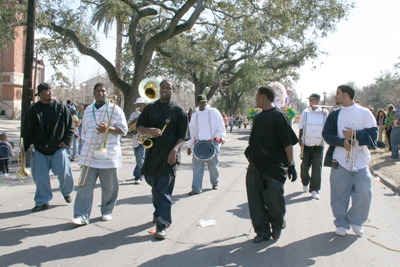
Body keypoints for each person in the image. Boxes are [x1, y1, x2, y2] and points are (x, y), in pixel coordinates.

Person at [136, 79, 189, 239]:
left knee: (163, 190)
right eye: (162, 87)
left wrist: (174, 150)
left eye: (168, 87)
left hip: (169, 157)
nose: (164, 90)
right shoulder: (150, 108)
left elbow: (183, 136)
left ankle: (162, 223)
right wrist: (148, 131)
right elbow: (139, 128)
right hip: (152, 155)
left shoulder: (179, 111)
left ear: (173, 90)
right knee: (153, 186)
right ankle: (158, 212)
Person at [245, 86, 298, 243]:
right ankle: (262, 231)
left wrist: (291, 165)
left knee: (274, 199)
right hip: (256, 165)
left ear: (263, 96)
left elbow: (288, 143)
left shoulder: (279, 116)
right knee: (255, 200)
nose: (255, 99)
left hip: (275, 167)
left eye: (257, 96)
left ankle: (277, 224)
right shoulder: (258, 117)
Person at [322, 85, 377, 237]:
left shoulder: (365, 113)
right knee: (339, 194)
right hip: (340, 161)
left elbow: (374, 133)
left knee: (364, 192)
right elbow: (326, 134)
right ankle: (341, 223)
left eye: (337, 94)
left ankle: (356, 221)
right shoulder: (335, 114)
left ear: (346, 95)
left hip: (360, 162)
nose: (335, 96)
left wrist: (355, 134)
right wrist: (341, 142)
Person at [70, 83, 128, 225]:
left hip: (109, 156)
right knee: (84, 187)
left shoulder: (116, 109)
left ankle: (107, 210)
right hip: (89, 156)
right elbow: (84, 133)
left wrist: (108, 129)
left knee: (109, 187)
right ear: (94, 93)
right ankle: (81, 215)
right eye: (97, 91)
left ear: (107, 93)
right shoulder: (88, 110)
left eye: (103, 91)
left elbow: (124, 130)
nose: (100, 93)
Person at [22, 83, 75, 212]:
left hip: (58, 147)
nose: (50, 93)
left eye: (51, 91)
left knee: (65, 172)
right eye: (46, 91)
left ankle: (66, 192)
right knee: (41, 178)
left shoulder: (61, 108)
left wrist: (66, 141)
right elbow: (27, 131)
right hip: (39, 149)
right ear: (40, 94)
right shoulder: (34, 110)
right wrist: (26, 149)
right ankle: (42, 201)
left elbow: (71, 127)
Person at [187, 95, 226, 195]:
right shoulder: (195, 115)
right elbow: (192, 132)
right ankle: (196, 188)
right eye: (201, 102)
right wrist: (189, 146)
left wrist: (222, 136)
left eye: (204, 102)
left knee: (213, 166)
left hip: (212, 142)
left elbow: (220, 125)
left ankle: (214, 182)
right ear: (197, 103)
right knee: (197, 167)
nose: (203, 104)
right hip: (199, 144)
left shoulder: (214, 112)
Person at [298, 93, 329, 200]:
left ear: (318, 100)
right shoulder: (305, 112)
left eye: (313, 100)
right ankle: (305, 182)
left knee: (317, 167)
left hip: (318, 145)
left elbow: (326, 127)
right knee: (304, 166)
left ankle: (315, 189)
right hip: (307, 144)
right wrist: (300, 138)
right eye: (310, 100)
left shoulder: (324, 112)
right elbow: (301, 126)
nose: (311, 101)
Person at [128, 97, 146, 184]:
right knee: (138, 159)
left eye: (140, 104)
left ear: (144, 105)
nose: (138, 106)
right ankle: (138, 172)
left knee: (140, 159)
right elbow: (128, 125)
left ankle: (138, 176)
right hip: (135, 139)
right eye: (137, 104)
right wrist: (134, 120)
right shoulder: (134, 114)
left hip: (144, 139)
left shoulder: (147, 113)